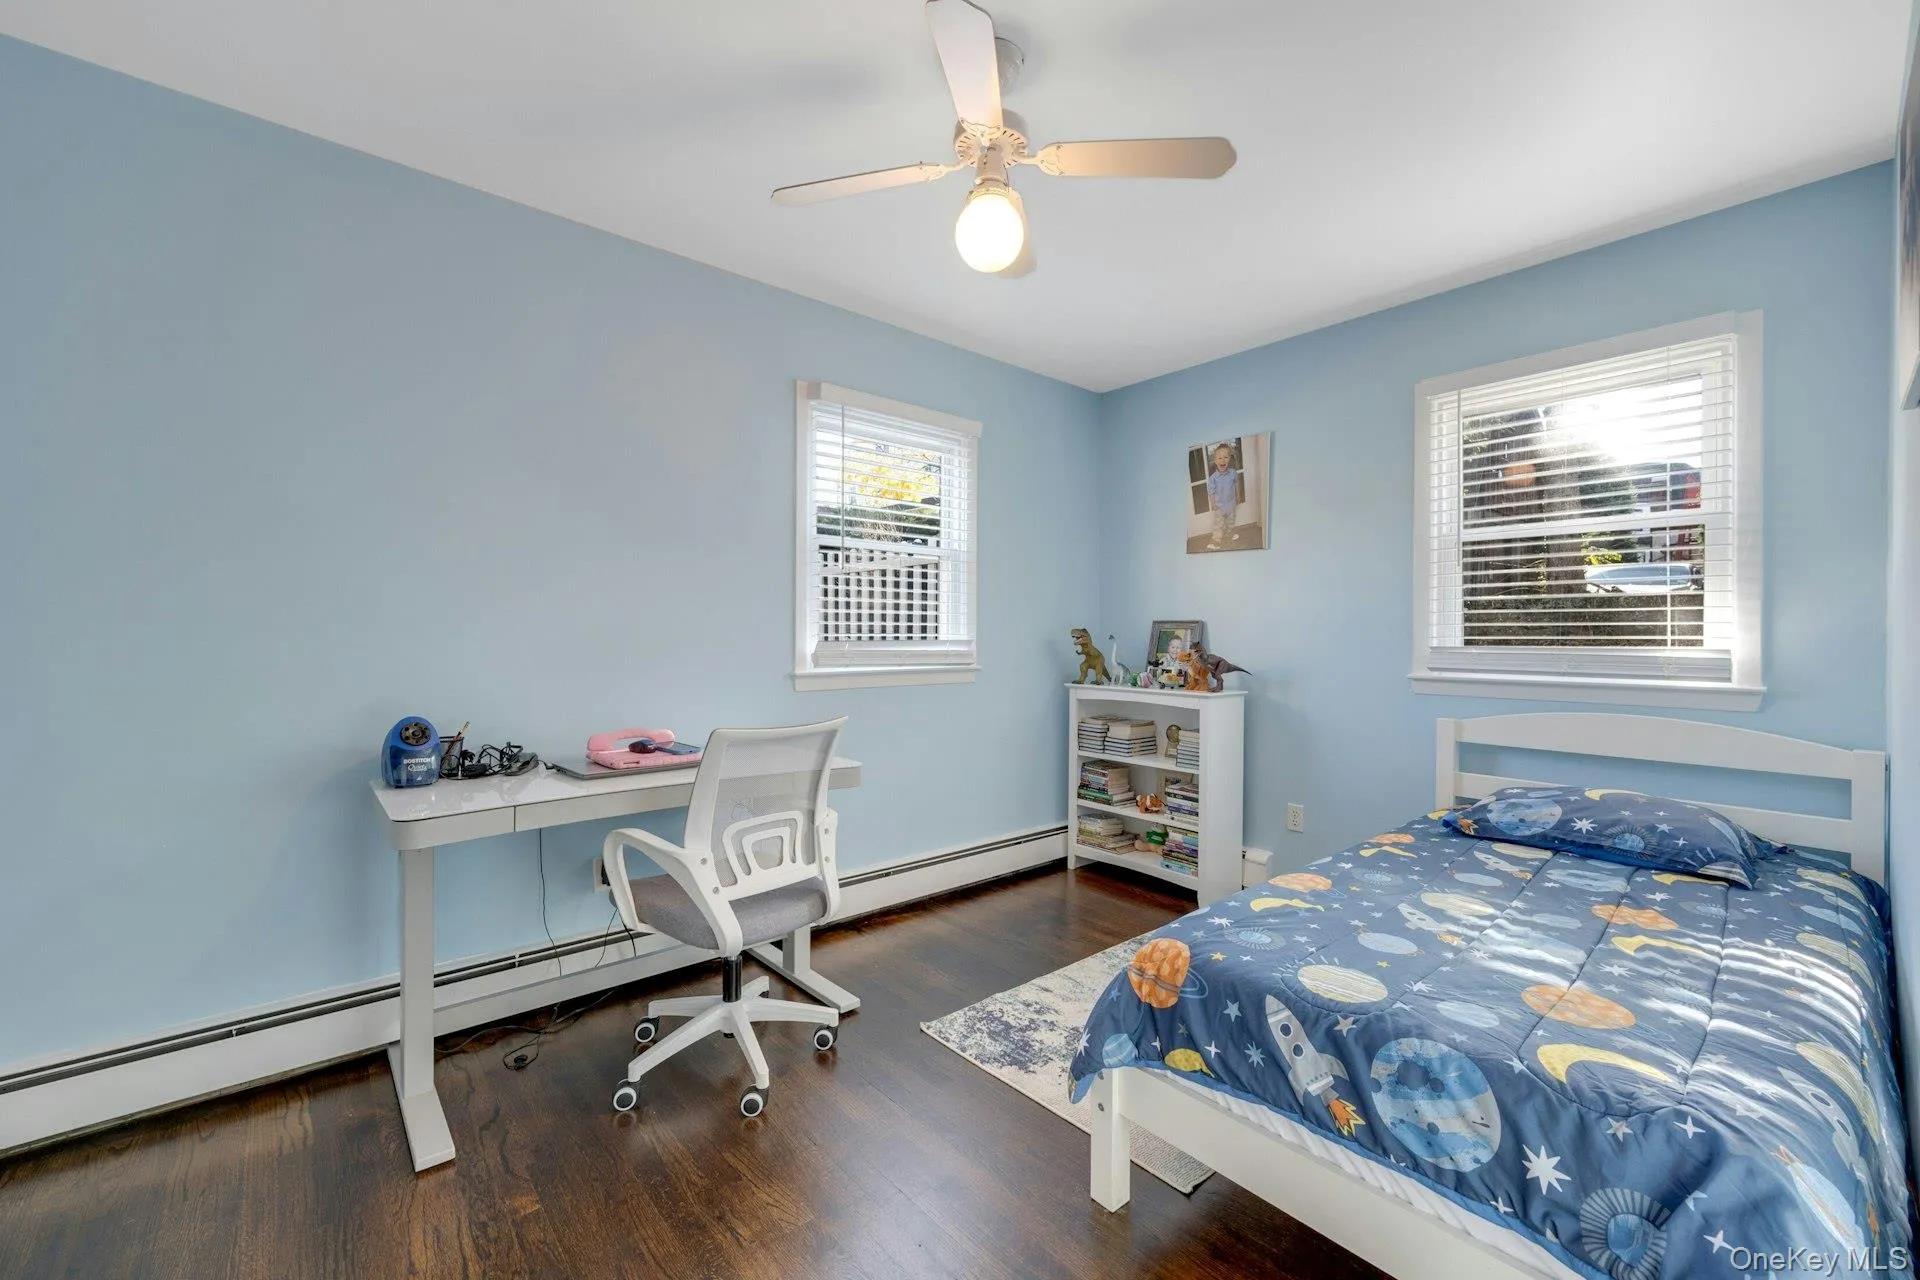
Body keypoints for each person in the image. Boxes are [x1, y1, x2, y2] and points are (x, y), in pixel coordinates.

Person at [1205, 442, 1239, 549]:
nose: (1223, 460)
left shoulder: (1233, 472)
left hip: (1230, 503)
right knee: (1218, 524)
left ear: (1229, 459)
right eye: (1219, 458)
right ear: (1215, 461)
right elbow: (1211, 492)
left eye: (1226, 457)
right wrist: (1213, 503)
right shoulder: (1213, 478)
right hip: (1219, 505)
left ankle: (1230, 534)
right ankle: (1216, 541)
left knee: (1231, 520)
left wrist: (1238, 495)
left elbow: (1236, 484)